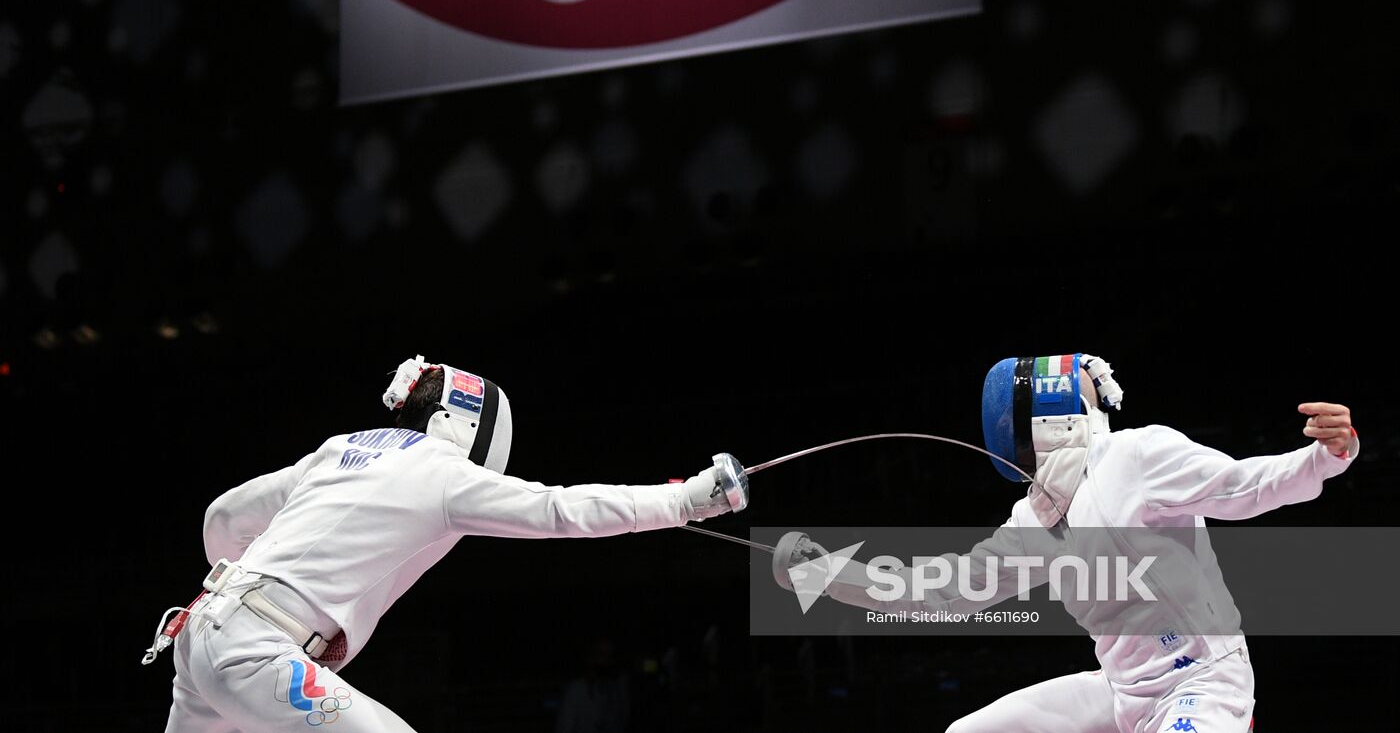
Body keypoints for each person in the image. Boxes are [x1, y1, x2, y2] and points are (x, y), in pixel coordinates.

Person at [144, 355, 749, 733]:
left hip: (196, 638)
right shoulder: (441, 472)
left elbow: (220, 519)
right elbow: (560, 509)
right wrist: (687, 501)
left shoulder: (343, 447)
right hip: (256, 654)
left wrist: (243, 599)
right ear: (467, 429)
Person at [774, 352, 1358, 733]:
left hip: (1202, 681)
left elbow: (1244, 487)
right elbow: (934, 592)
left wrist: (1324, 457)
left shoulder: (1137, 456)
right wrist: (823, 575)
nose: (1094, 386)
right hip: (1122, 692)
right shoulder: (1030, 524)